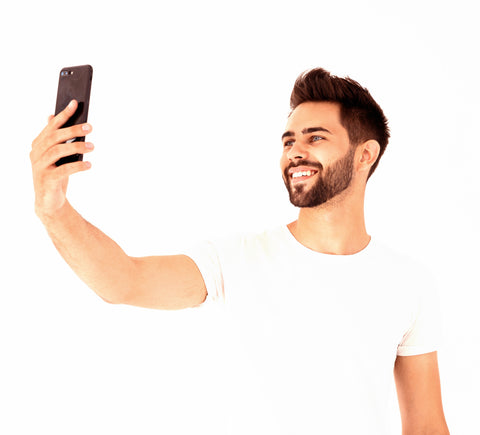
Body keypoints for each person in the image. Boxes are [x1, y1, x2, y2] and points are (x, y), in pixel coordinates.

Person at [30, 67, 449, 434]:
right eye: (288, 142)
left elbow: (427, 426)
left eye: (315, 137)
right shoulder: (236, 259)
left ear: (365, 155)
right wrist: (54, 209)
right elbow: (123, 281)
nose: (295, 152)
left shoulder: (408, 282)